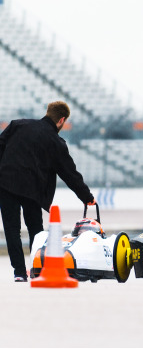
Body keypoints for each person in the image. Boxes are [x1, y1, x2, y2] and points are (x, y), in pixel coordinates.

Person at [0, 101, 95, 282]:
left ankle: (19, 273)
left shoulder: (17, 125)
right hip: (32, 190)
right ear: (61, 120)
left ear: (47, 112)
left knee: (12, 230)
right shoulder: (56, 142)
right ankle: (38, 269)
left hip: (6, 183)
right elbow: (70, 174)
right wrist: (87, 197)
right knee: (36, 230)